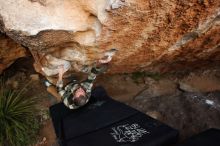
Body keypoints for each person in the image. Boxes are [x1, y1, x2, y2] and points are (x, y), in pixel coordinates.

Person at [45, 48, 117, 109]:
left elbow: (59, 89)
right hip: (74, 84)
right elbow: (93, 74)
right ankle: (72, 80)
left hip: (66, 91)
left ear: (73, 97)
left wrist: (60, 74)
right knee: (80, 74)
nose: (80, 89)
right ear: (85, 94)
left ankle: (49, 86)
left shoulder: (68, 101)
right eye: (82, 91)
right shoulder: (86, 89)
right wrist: (100, 62)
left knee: (57, 91)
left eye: (78, 92)